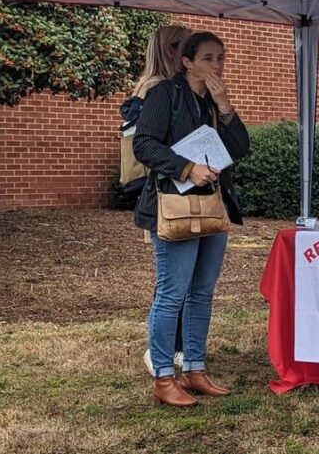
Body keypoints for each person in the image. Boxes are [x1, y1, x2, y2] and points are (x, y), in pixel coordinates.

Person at [133, 31, 250, 407]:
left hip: (213, 207)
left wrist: (226, 106)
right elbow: (145, 144)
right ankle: (164, 377)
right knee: (172, 293)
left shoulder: (212, 101)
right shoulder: (165, 94)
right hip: (174, 206)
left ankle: (195, 369)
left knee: (202, 292)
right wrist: (186, 168)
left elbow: (239, 148)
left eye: (221, 58)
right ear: (187, 62)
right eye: (208, 59)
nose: (217, 65)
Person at [124, 25, 192, 379]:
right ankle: (160, 350)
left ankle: (174, 347)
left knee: (175, 280)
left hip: (172, 195)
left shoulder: (165, 88)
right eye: (186, 47)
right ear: (170, 52)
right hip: (165, 196)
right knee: (170, 282)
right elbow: (148, 146)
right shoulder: (157, 90)